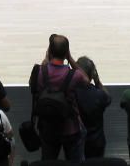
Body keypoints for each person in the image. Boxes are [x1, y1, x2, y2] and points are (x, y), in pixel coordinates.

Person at [28, 34, 89, 163]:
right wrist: (71, 59)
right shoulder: (74, 75)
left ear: (50, 51)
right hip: (70, 128)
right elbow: (87, 80)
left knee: (48, 162)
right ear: (66, 52)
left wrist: (45, 61)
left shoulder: (38, 71)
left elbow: (32, 87)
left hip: (47, 128)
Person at [75, 57, 111, 158]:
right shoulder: (99, 95)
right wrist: (97, 81)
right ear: (92, 74)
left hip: (77, 141)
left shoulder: (70, 92)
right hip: (96, 141)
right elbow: (108, 98)